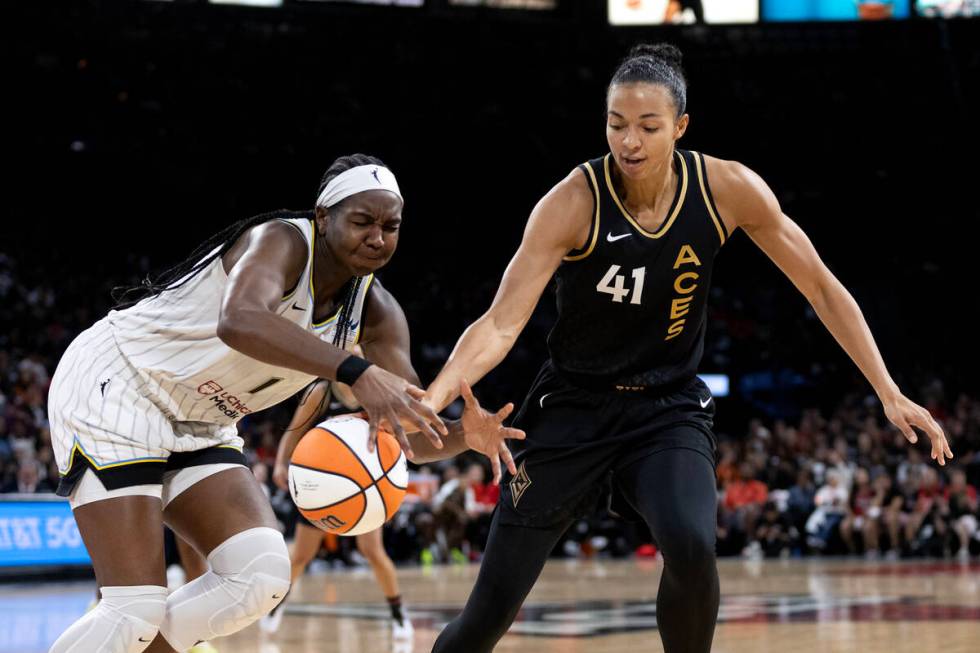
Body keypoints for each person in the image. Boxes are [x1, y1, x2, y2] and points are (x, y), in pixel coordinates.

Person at [422, 44, 953, 653]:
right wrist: (432, 399)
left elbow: (821, 288)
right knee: (484, 620)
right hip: (571, 408)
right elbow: (498, 325)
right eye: (616, 124)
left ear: (680, 127)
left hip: (666, 410)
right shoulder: (571, 202)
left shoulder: (727, 188)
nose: (630, 141)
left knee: (693, 545)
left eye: (648, 126)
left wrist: (887, 390)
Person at [45, 153, 522, 653]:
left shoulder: (378, 313)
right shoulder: (282, 241)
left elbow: (414, 438)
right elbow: (240, 319)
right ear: (323, 217)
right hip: (123, 381)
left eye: (391, 226)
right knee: (134, 608)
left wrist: (466, 435)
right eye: (362, 222)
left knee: (259, 575)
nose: (377, 237)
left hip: (203, 418)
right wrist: (354, 371)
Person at [261, 376, 414, 639]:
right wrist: (280, 463)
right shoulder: (322, 390)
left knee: (373, 552)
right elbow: (295, 429)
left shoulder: (376, 388)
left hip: (365, 485)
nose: (356, 350)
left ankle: (399, 613)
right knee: (301, 556)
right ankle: (277, 605)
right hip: (323, 485)